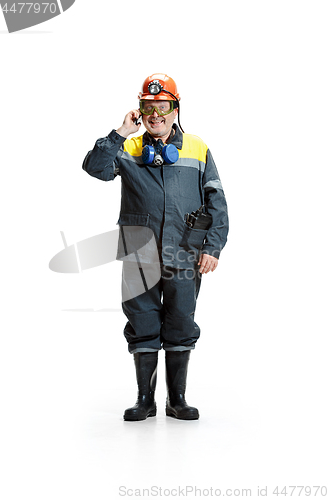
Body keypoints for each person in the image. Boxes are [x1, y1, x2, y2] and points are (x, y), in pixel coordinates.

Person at [82, 73, 229, 421]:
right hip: (139, 253)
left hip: (185, 251)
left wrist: (214, 246)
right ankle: (145, 400)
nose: (155, 114)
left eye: (162, 106)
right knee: (142, 323)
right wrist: (120, 133)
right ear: (140, 111)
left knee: (180, 322)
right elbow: (94, 168)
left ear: (175, 109)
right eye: (148, 107)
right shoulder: (129, 147)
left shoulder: (196, 147)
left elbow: (217, 201)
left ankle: (176, 400)